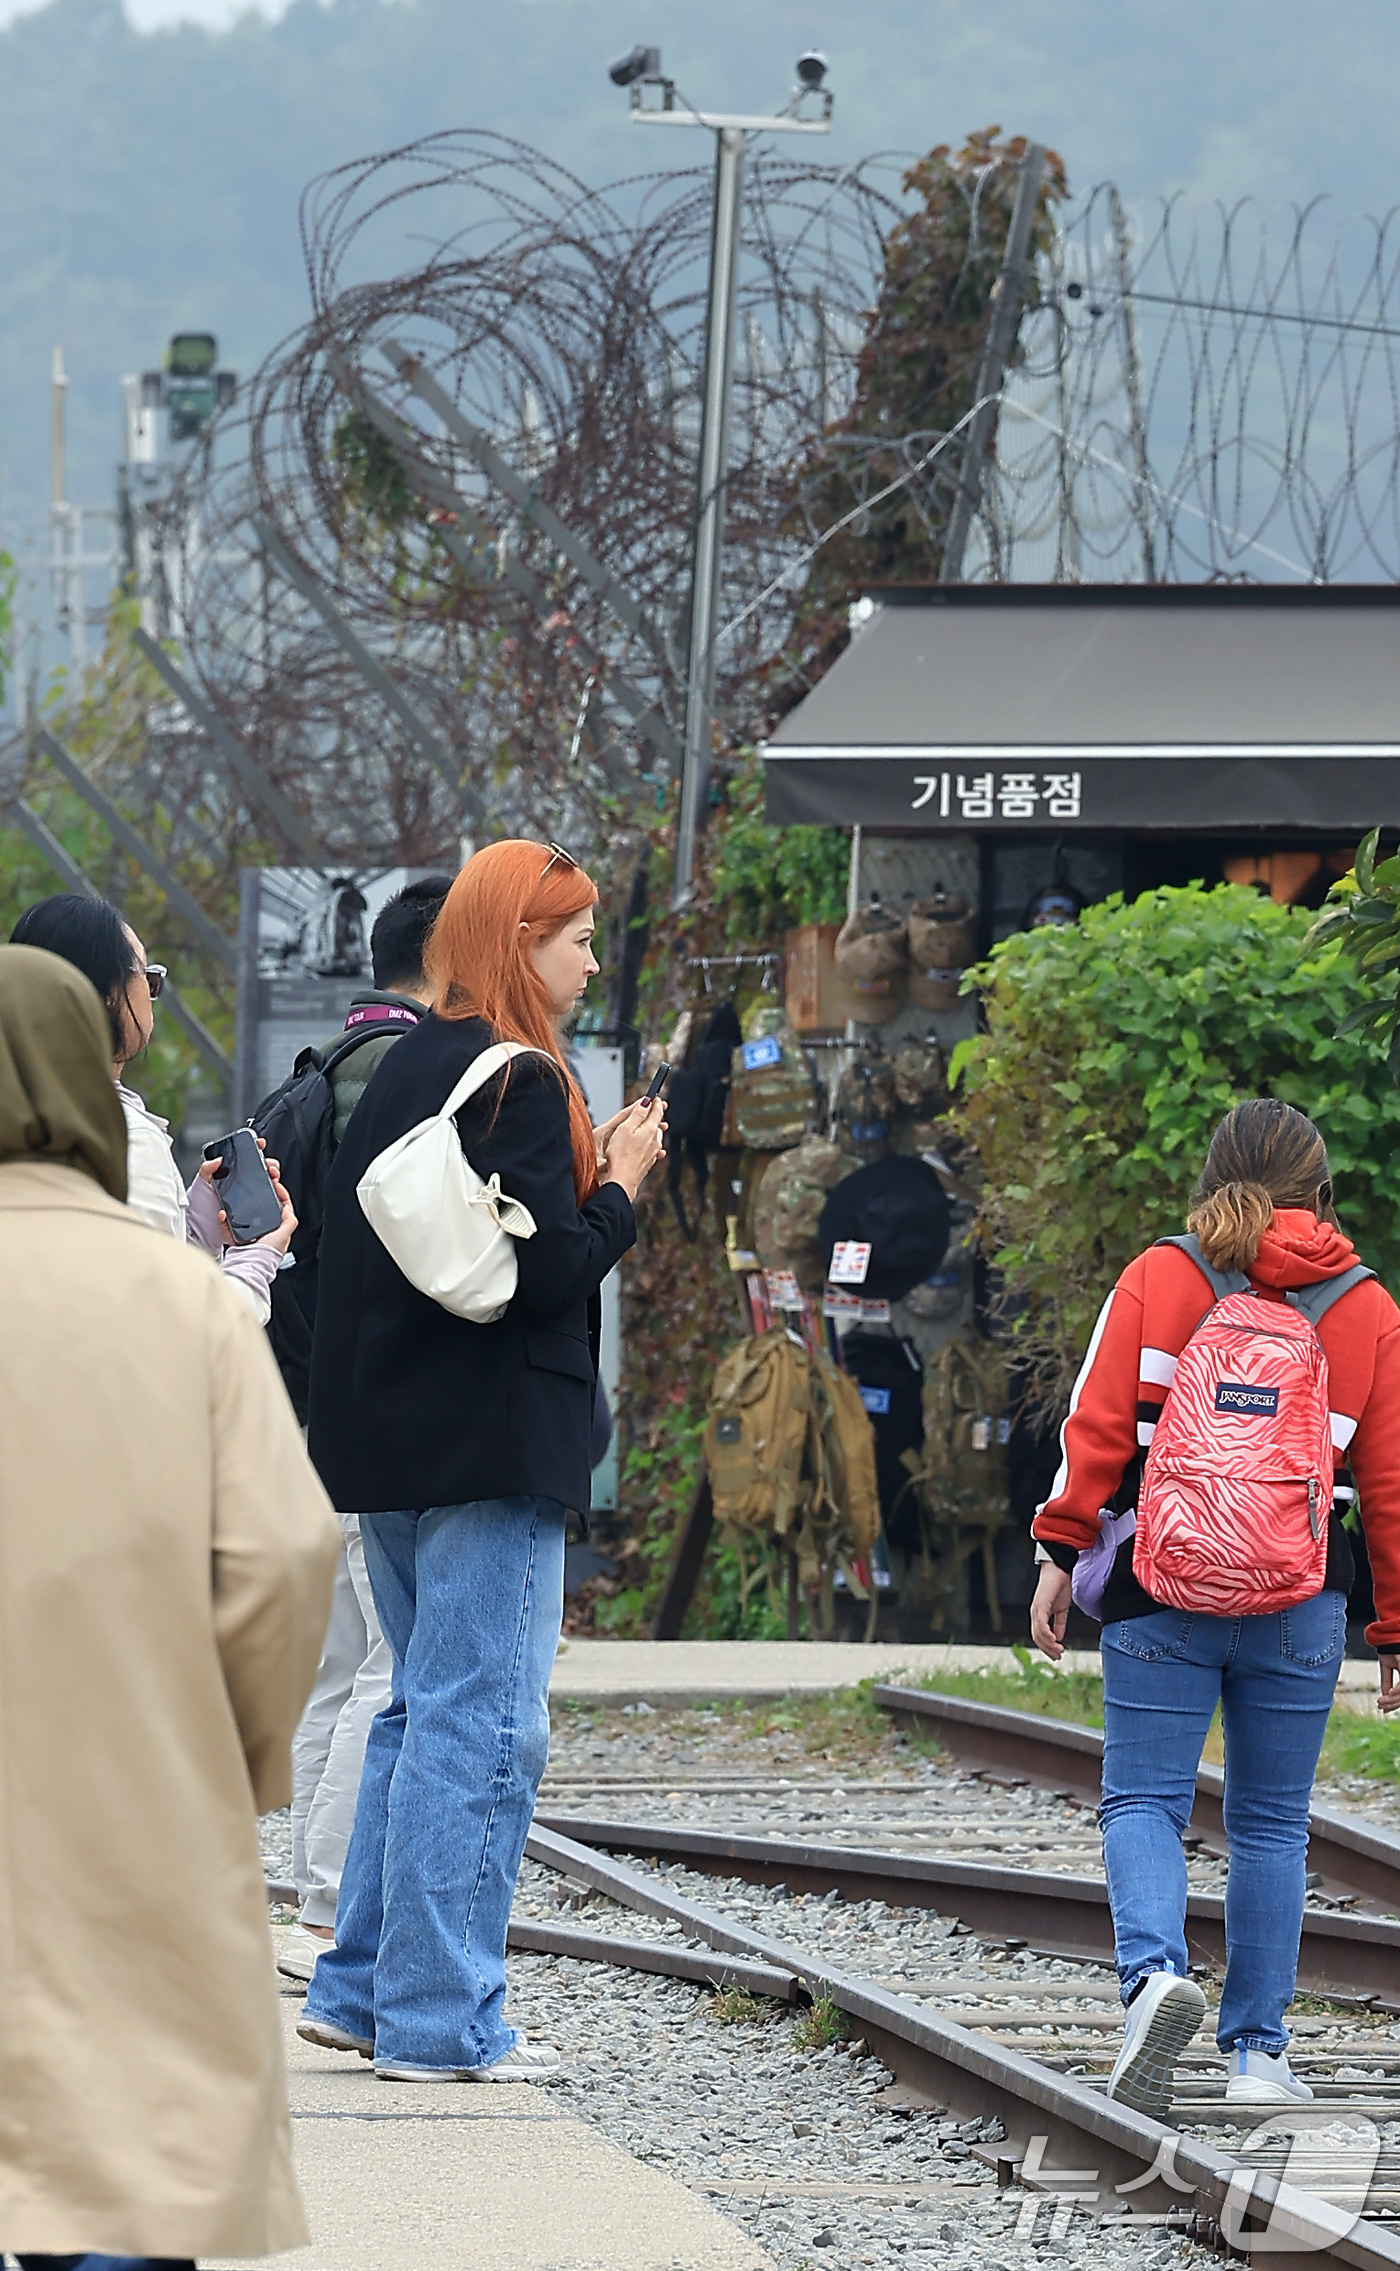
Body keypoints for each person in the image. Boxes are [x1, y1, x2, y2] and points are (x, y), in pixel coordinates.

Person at [300, 838, 665, 2082]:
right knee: (485, 1728)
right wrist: (619, 1185)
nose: (589, 959)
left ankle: (357, 1989)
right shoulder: (518, 1079)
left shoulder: (407, 1065)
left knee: (415, 1713)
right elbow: (547, 1272)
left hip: (390, 1448)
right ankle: (441, 2020)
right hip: (493, 1446)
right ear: (519, 944)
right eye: (574, 938)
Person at [0, 944, 340, 2268]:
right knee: (126, 2167)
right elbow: (282, 1553)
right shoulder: (177, 1297)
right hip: (131, 1788)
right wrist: (228, 1752)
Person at [1030, 1099, 1400, 2114]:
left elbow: (1096, 1423)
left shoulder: (1161, 1275)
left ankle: (1152, 1980)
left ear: (1207, 1181)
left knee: (1142, 1799)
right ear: (1320, 1195)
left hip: (1161, 1579)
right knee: (1272, 1824)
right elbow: (1388, 1483)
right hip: (1299, 1598)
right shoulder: (1365, 1309)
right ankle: (1255, 2056)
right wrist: (1393, 1629)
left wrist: (1061, 1547)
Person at [281, 873, 453, 1987]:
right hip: (368, 1412)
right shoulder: (404, 1077)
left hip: (290, 1409)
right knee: (392, 1668)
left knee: (335, 1674)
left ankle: (307, 1891)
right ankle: (334, 1912)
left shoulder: (312, 1075)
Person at [9, 894, 294, 1319]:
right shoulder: (121, 1139)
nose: (151, 992)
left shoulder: (22, 1114)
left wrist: (191, 1226)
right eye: (148, 976)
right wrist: (253, 1266)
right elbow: (161, 1325)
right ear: (108, 993)